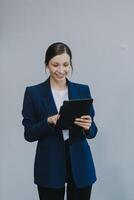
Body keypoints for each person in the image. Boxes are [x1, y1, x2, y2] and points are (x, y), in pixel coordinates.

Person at [22, 42, 98, 200]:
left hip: (80, 163)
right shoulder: (33, 93)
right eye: (55, 64)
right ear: (46, 65)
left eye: (66, 64)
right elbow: (29, 133)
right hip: (49, 164)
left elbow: (93, 131)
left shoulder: (83, 90)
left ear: (71, 64)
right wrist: (48, 121)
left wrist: (89, 126)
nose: (61, 70)